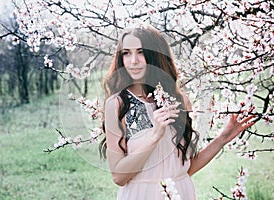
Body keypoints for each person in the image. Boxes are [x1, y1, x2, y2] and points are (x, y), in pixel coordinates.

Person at [99, 24, 255, 200]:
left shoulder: (178, 101)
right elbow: (119, 176)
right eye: (126, 53)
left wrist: (223, 138)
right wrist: (154, 136)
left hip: (181, 192)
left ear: (156, 55)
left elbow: (185, 169)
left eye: (141, 52)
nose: (133, 60)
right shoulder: (118, 105)